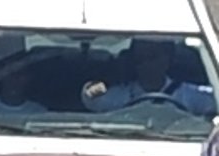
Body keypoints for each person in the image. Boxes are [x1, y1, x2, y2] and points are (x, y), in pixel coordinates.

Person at [82, 39, 216, 116]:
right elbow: (92, 100)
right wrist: (94, 87)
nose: (147, 64)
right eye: (141, 58)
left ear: (167, 59)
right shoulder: (121, 95)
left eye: (153, 57)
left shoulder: (189, 94)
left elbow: (213, 101)